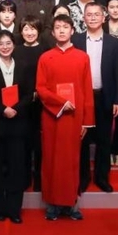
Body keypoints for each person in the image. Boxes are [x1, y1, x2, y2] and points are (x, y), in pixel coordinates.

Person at [36, 15, 94, 220]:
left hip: (74, 117)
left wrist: (87, 120)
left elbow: (86, 89)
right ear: (52, 33)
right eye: (58, 27)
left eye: (65, 27)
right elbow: (41, 88)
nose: (61, 30)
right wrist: (59, 103)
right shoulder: (45, 58)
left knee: (71, 160)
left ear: (72, 31)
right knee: (51, 159)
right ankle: (52, 203)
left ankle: (71, 203)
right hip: (52, 116)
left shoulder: (82, 57)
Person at [72, 0, 118, 193]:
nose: (93, 18)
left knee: (104, 139)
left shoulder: (114, 43)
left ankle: (102, 177)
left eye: (97, 14)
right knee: (82, 139)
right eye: (89, 14)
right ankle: (83, 178)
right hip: (81, 98)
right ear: (83, 18)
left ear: (104, 18)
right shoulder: (75, 41)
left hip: (104, 96)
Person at [0, 31, 32, 223]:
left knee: (16, 169)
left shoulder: (24, 66)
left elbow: (29, 94)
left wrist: (15, 109)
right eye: (1, 43)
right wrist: (2, 110)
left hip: (18, 125)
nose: (5, 47)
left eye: (8, 43)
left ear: (14, 45)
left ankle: (14, 209)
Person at [15, 16, 50, 190]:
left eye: (33, 28)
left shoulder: (46, 50)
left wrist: (39, 92)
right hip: (21, 103)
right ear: (21, 31)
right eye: (26, 29)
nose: (29, 33)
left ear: (39, 30)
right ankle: (23, 177)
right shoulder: (15, 51)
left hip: (41, 103)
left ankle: (39, 178)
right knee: (23, 142)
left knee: (40, 143)